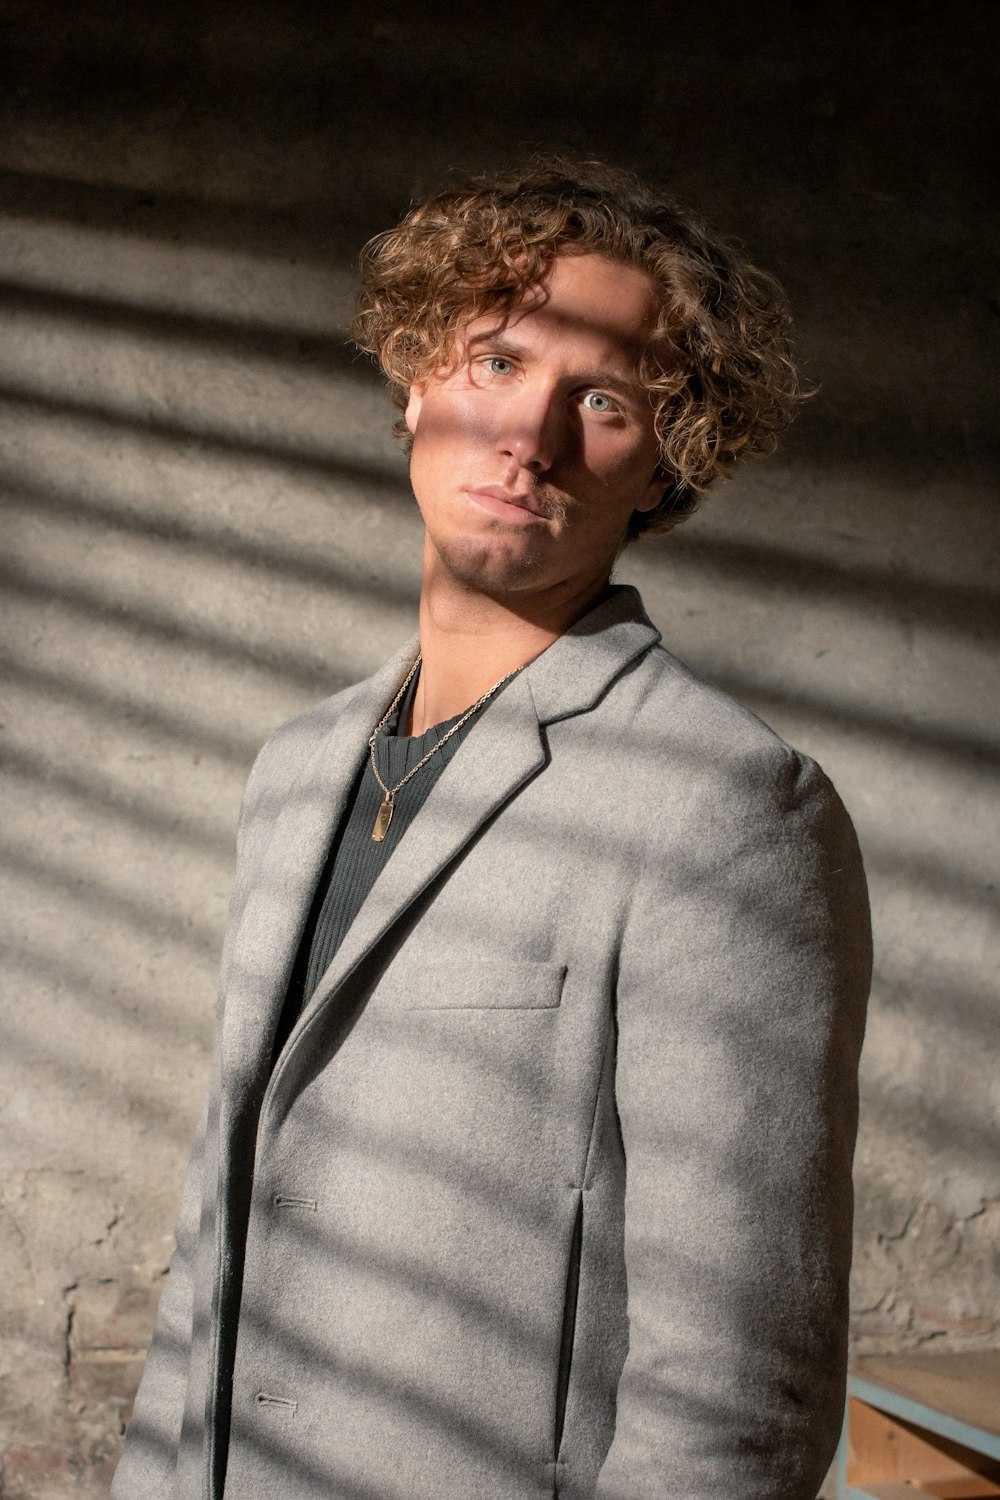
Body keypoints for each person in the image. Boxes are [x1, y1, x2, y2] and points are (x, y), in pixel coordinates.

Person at [112, 160, 871, 1500]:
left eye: (607, 400)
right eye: (498, 359)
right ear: (414, 380)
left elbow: (741, 1388)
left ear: (665, 464)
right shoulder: (294, 769)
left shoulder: (730, 809)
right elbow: (220, 1240)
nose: (530, 432)